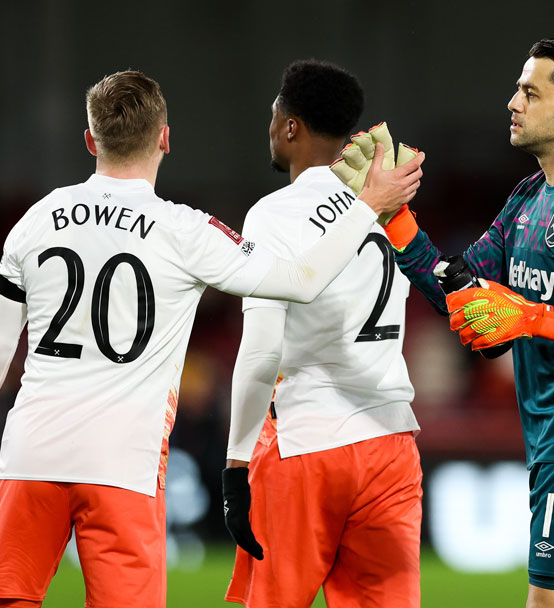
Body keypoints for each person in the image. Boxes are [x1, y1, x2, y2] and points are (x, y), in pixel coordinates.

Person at [0, 70, 423, 608]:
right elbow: (302, 281)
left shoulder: (37, 220)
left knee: (5, 602)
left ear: (90, 140)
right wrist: (367, 208)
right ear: (164, 138)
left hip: (30, 454)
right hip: (123, 465)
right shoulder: (185, 231)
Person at [357, 39, 554, 608]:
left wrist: (532, 318)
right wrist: (395, 220)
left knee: (550, 602)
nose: (512, 103)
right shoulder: (528, 199)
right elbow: (460, 288)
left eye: (530, 91)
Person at [222, 60, 422, 608]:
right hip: (390, 440)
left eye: (273, 115)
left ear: (290, 126)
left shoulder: (274, 213)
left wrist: (236, 462)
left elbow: (261, 351)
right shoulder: (386, 209)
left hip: (306, 440)